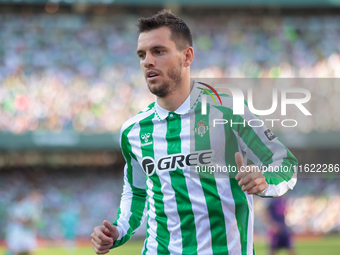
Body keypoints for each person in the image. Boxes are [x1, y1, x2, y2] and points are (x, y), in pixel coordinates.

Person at [91, 9, 298, 255]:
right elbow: (136, 191)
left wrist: (265, 181)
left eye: (158, 51)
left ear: (187, 56)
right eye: (142, 54)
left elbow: (285, 164)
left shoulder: (228, 112)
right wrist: (118, 230)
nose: (147, 61)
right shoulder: (134, 131)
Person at [6, 190, 42, 255]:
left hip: (27, 231)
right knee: (18, 250)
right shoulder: (23, 205)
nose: (38, 198)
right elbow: (17, 218)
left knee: (28, 249)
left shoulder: (34, 206)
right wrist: (27, 222)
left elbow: (36, 220)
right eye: (36, 196)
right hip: (18, 231)